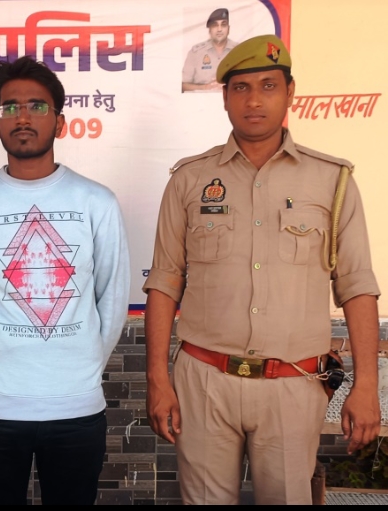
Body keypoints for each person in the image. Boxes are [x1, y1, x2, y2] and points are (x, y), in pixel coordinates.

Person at [144, 34, 381, 504]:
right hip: (204, 379)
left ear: (290, 92)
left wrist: (366, 385)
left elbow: (357, 287)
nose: (254, 100)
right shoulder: (190, 179)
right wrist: (157, 380)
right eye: (241, 88)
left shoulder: (331, 180)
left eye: (268, 86)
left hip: (292, 385)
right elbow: (165, 282)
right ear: (225, 98)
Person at [0, 55, 130, 505]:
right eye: (10, 107)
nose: (23, 117)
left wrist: (83, 368)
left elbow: (113, 296)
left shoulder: (97, 202)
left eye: (37, 106)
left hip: (76, 406)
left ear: (60, 122)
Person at [182, 8, 237, 93]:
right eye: (215, 25)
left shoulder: (239, 51)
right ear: (209, 30)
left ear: (228, 29)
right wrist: (205, 87)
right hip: (201, 100)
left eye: (223, 25)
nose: (219, 29)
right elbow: (183, 85)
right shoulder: (196, 52)